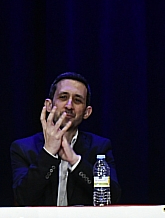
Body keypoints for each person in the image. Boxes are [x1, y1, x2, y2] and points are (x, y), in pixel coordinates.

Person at [10, 72, 120, 205]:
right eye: (63, 97)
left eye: (77, 100)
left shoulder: (100, 147)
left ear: (87, 112)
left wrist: (75, 161)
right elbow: (22, 198)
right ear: (49, 105)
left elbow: (112, 198)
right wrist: (49, 153)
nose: (69, 106)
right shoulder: (23, 148)